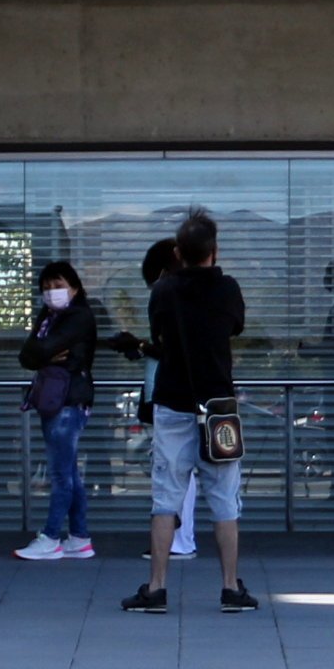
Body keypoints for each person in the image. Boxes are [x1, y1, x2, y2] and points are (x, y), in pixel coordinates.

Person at [126, 207, 256, 615]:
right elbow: (235, 327)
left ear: (178, 252)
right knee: (224, 498)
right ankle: (230, 587)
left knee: (166, 495)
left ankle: (157, 586)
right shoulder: (229, 289)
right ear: (213, 251)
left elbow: (158, 336)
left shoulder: (163, 292)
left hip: (173, 402)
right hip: (218, 406)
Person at [17, 254, 102, 559]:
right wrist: (41, 353)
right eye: (47, 285)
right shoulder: (48, 316)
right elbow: (28, 355)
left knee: (60, 474)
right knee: (69, 472)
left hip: (69, 400)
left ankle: (51, 536)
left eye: (59, 284)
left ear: (75, 288)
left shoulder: (78, 317)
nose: (52, 290)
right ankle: (79, 537)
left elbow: (40, 349)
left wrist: (41, 352)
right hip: (53, 399)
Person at [134, 237, 195, 557]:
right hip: (171, 393)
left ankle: (179, 539)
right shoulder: (186, 298)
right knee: (180, 469)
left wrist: (142, 346)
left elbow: (171, 348)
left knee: (173, 470)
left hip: (172, 395)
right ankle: (181, 538)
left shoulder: (174, 300)